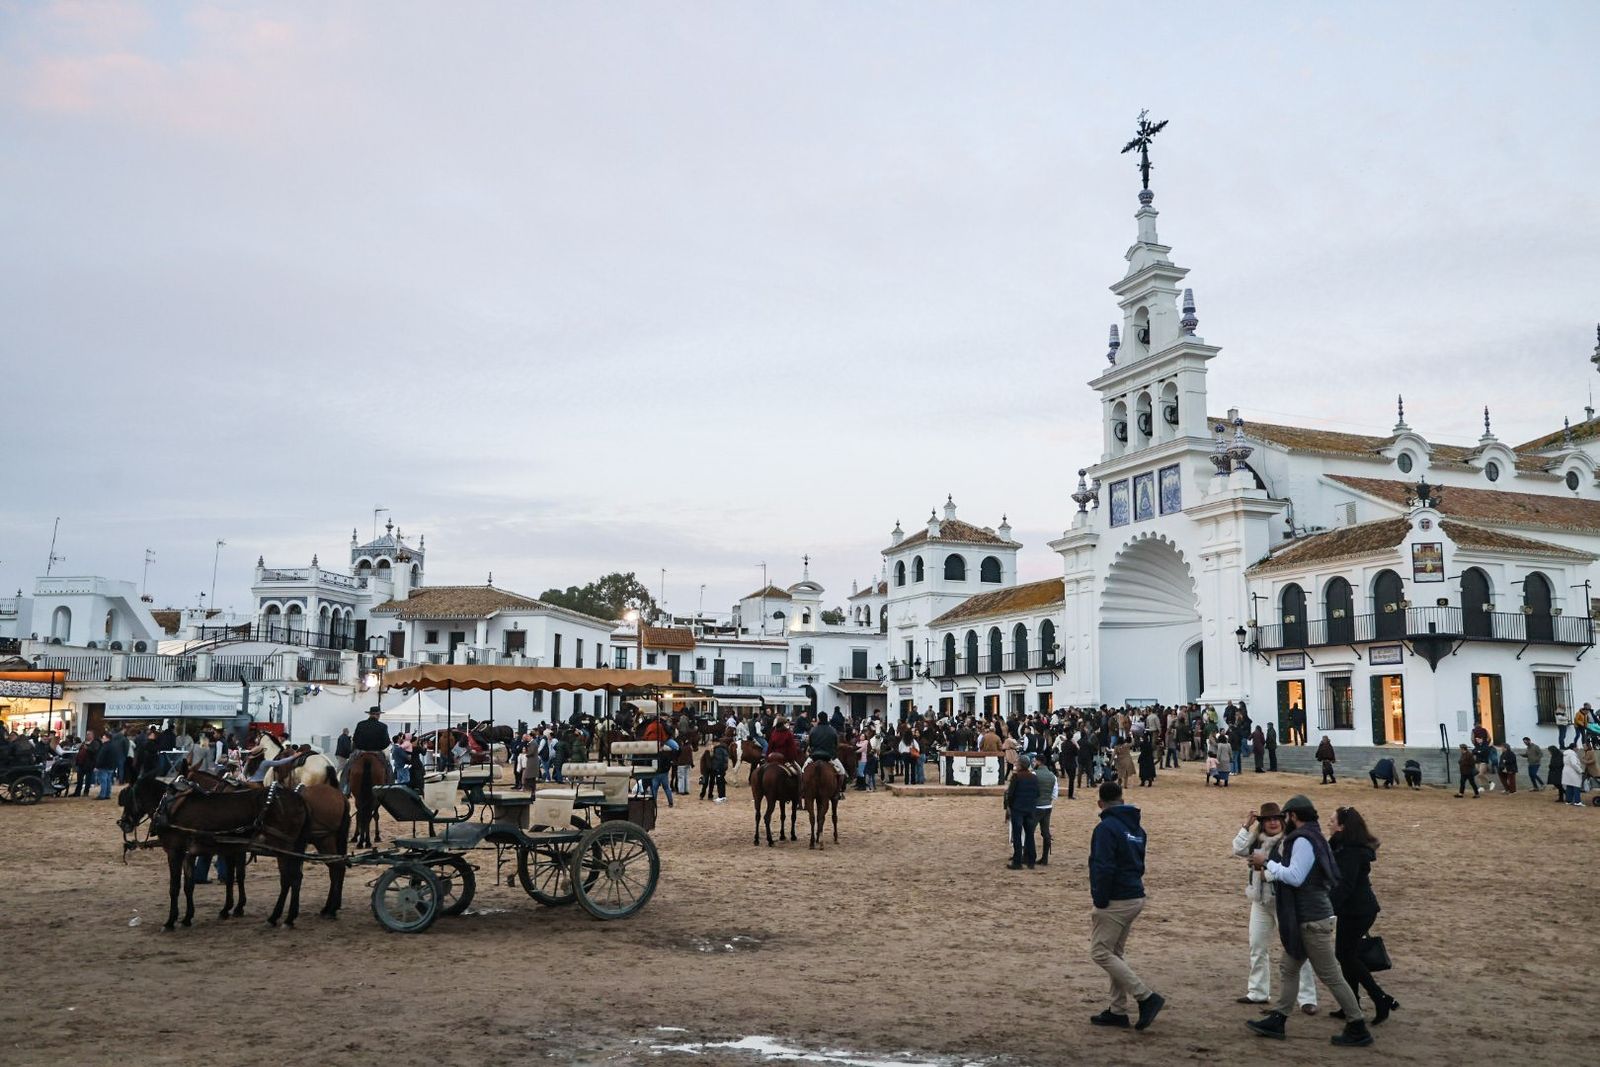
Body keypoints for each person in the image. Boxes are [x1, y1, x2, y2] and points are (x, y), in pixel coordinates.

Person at [1245, 795, 1373, 1047]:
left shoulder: (1303, 839)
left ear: (1293, 816)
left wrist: (1267, 862)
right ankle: (1279, 1018)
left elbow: (1295, 877)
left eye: (1286, 816)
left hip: (1311, 919)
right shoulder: (1313, 836)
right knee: (1289, 968)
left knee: (1331, 975)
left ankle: (1357, 1024)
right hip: (1309, 916)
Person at [1087, 781, 1164, 1030]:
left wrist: (1100, 898)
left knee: (1100, 952)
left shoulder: (1106, 828)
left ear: (1100, 803)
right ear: (1122, 799)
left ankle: (1145, 996)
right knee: (1114, 953)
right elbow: (1138, 863)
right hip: (1134, 893)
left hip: (1117, 898)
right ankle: (1118, 1010)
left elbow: (1103, 866)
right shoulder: (1137, 828)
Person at [1232, 802, 1317, 1013]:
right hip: (1260, 901)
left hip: (1284, 903)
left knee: (1295, 948)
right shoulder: (1256, 839)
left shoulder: (1290, 842)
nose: (1272, 823)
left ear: (1282, 821)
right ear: (1261, 823)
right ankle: (1258, 992)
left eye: (1276, 819)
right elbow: (1238, 849)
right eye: (1267, 819)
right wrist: (1245, 825)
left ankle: (1307, 999)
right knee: (1257, 946)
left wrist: (1265, 873)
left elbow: (1293, 872)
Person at [1329, 806, 1398, 1025]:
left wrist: (1328, 907)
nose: (1328, 823)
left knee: (1347, 956)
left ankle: (1379, 998)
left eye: (1332, 821)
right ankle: (1353, 1003)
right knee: (1346, 956)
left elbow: (1346, 885)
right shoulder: (1344, 846)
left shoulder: (1349, 850)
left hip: (1358, 910)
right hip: (1356, 909)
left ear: (1342, 827)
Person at [1003, 754, 1040, 870]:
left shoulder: (1016, 777)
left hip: (1018, 810)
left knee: (1017, 836)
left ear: (1021, 765)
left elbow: (1010, 794)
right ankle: (1031, 861)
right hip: (1030, 809)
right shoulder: (1034, 777)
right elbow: (1038, 793)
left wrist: (1010, 806)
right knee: (1030, 835)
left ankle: (1017, 861)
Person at [801, 712, 847, 800]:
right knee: (842, 772)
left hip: (815, 756)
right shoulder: (832, 730)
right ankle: (838, 792)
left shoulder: (813, 730)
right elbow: (836, 744)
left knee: (803, 770)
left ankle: (804, 790)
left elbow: (810, 744)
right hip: (829, 756)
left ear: (819, 719)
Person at [1033, 756, 1058, 865]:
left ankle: (1030, 856)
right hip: (1047, 806)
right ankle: (1045, 858)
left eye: (1035, 761)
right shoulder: (1052, 776)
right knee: (1046, 832)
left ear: (1039, 762)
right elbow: (1054, 794)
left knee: (1030, 831)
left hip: (1035, 807)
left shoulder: (1034, 774)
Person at [93, 731, 119, 799]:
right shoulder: (114, 746)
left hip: (103, 766)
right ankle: (107, 794)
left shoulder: (105, 746)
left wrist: (97, 766)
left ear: (107, 738)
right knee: (108, 781)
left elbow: (101, 757)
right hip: (111, 766)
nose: (102, 739)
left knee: (103, 781)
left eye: (103, 737)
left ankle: (102, 795)